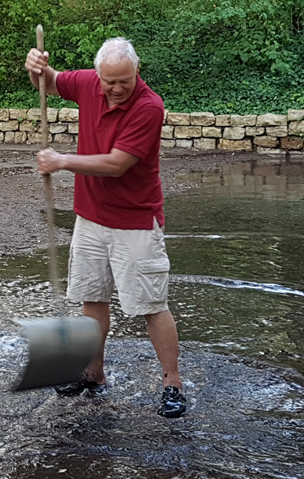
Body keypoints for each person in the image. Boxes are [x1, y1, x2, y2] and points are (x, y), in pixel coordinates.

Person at [25, 37, 186, 418]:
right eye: (109, 81)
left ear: (137, 71)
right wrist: (37, 69)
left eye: (123, 81)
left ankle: (173, 382)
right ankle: (93, 374)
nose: (115, 89)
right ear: (98, 75)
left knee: (151, 304)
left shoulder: (149, 107)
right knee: (92, 300)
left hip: (134, 222)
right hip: (91, 218)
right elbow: (49, 83)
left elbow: (117, 164)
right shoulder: (87, 84)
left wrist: (62, 160)